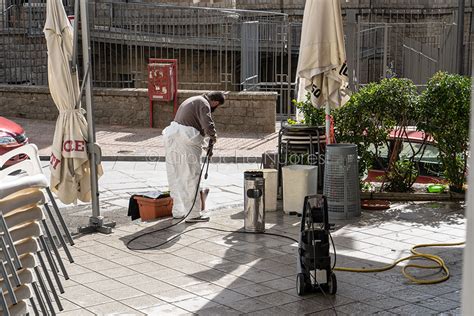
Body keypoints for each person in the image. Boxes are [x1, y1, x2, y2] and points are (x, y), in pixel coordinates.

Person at [162, 91, 225, 223]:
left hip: (172, 137)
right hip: (186, 140)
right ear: (215, 102)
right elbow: (208, 124)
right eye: (217, 106)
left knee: (176, 175)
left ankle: (178, 211)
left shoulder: (193, 99)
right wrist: (213, 137)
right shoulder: (204, 103)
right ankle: (193, 214)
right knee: (191, 176)